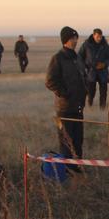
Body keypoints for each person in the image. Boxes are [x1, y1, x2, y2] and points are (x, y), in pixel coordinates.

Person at [46, 26, 87, 163]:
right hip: (64, 109)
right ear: (65, 40)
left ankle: (77, 168)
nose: (75, 41)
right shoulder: (58, 58)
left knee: (78, 140)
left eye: (76, 38)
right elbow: (50, 81)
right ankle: (67, 170)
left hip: (78, 108)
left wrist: (85, 91)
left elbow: (82, 77)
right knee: (66, 142)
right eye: (72, 38)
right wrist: (65, 94)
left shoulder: (77, 58)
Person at [79, 29, 109, 109]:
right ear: (93, 35)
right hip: (91, 72)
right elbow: (80, 56)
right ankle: (90, 107)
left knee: (103, 92)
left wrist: (104, 64)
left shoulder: (105, 45)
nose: (99, 38)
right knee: (91, 92)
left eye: (100, 37)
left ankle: (102, 108)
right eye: (98, 36)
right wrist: (84, 68)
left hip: (103, 72)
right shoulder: (86, 44)